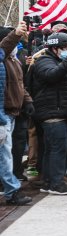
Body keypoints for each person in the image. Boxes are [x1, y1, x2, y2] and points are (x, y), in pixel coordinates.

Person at [27, 32, 67, 195]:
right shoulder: (44, 61)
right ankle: (57, 184)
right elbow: (51, 76)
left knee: (51, 150)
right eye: (65, 48)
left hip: (60, 112)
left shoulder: (61, 62)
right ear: (54, 48)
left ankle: (47, 182)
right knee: (57, 150)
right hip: (52, 113)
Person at [0, 23, 30, 205]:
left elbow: (19, 84)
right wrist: (16, 34)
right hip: (2, 116)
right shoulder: (4, 57)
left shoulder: (11, 60)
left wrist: (27, 101)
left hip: (8, 114)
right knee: (5, 156)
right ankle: (12, 191)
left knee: (5, 155)